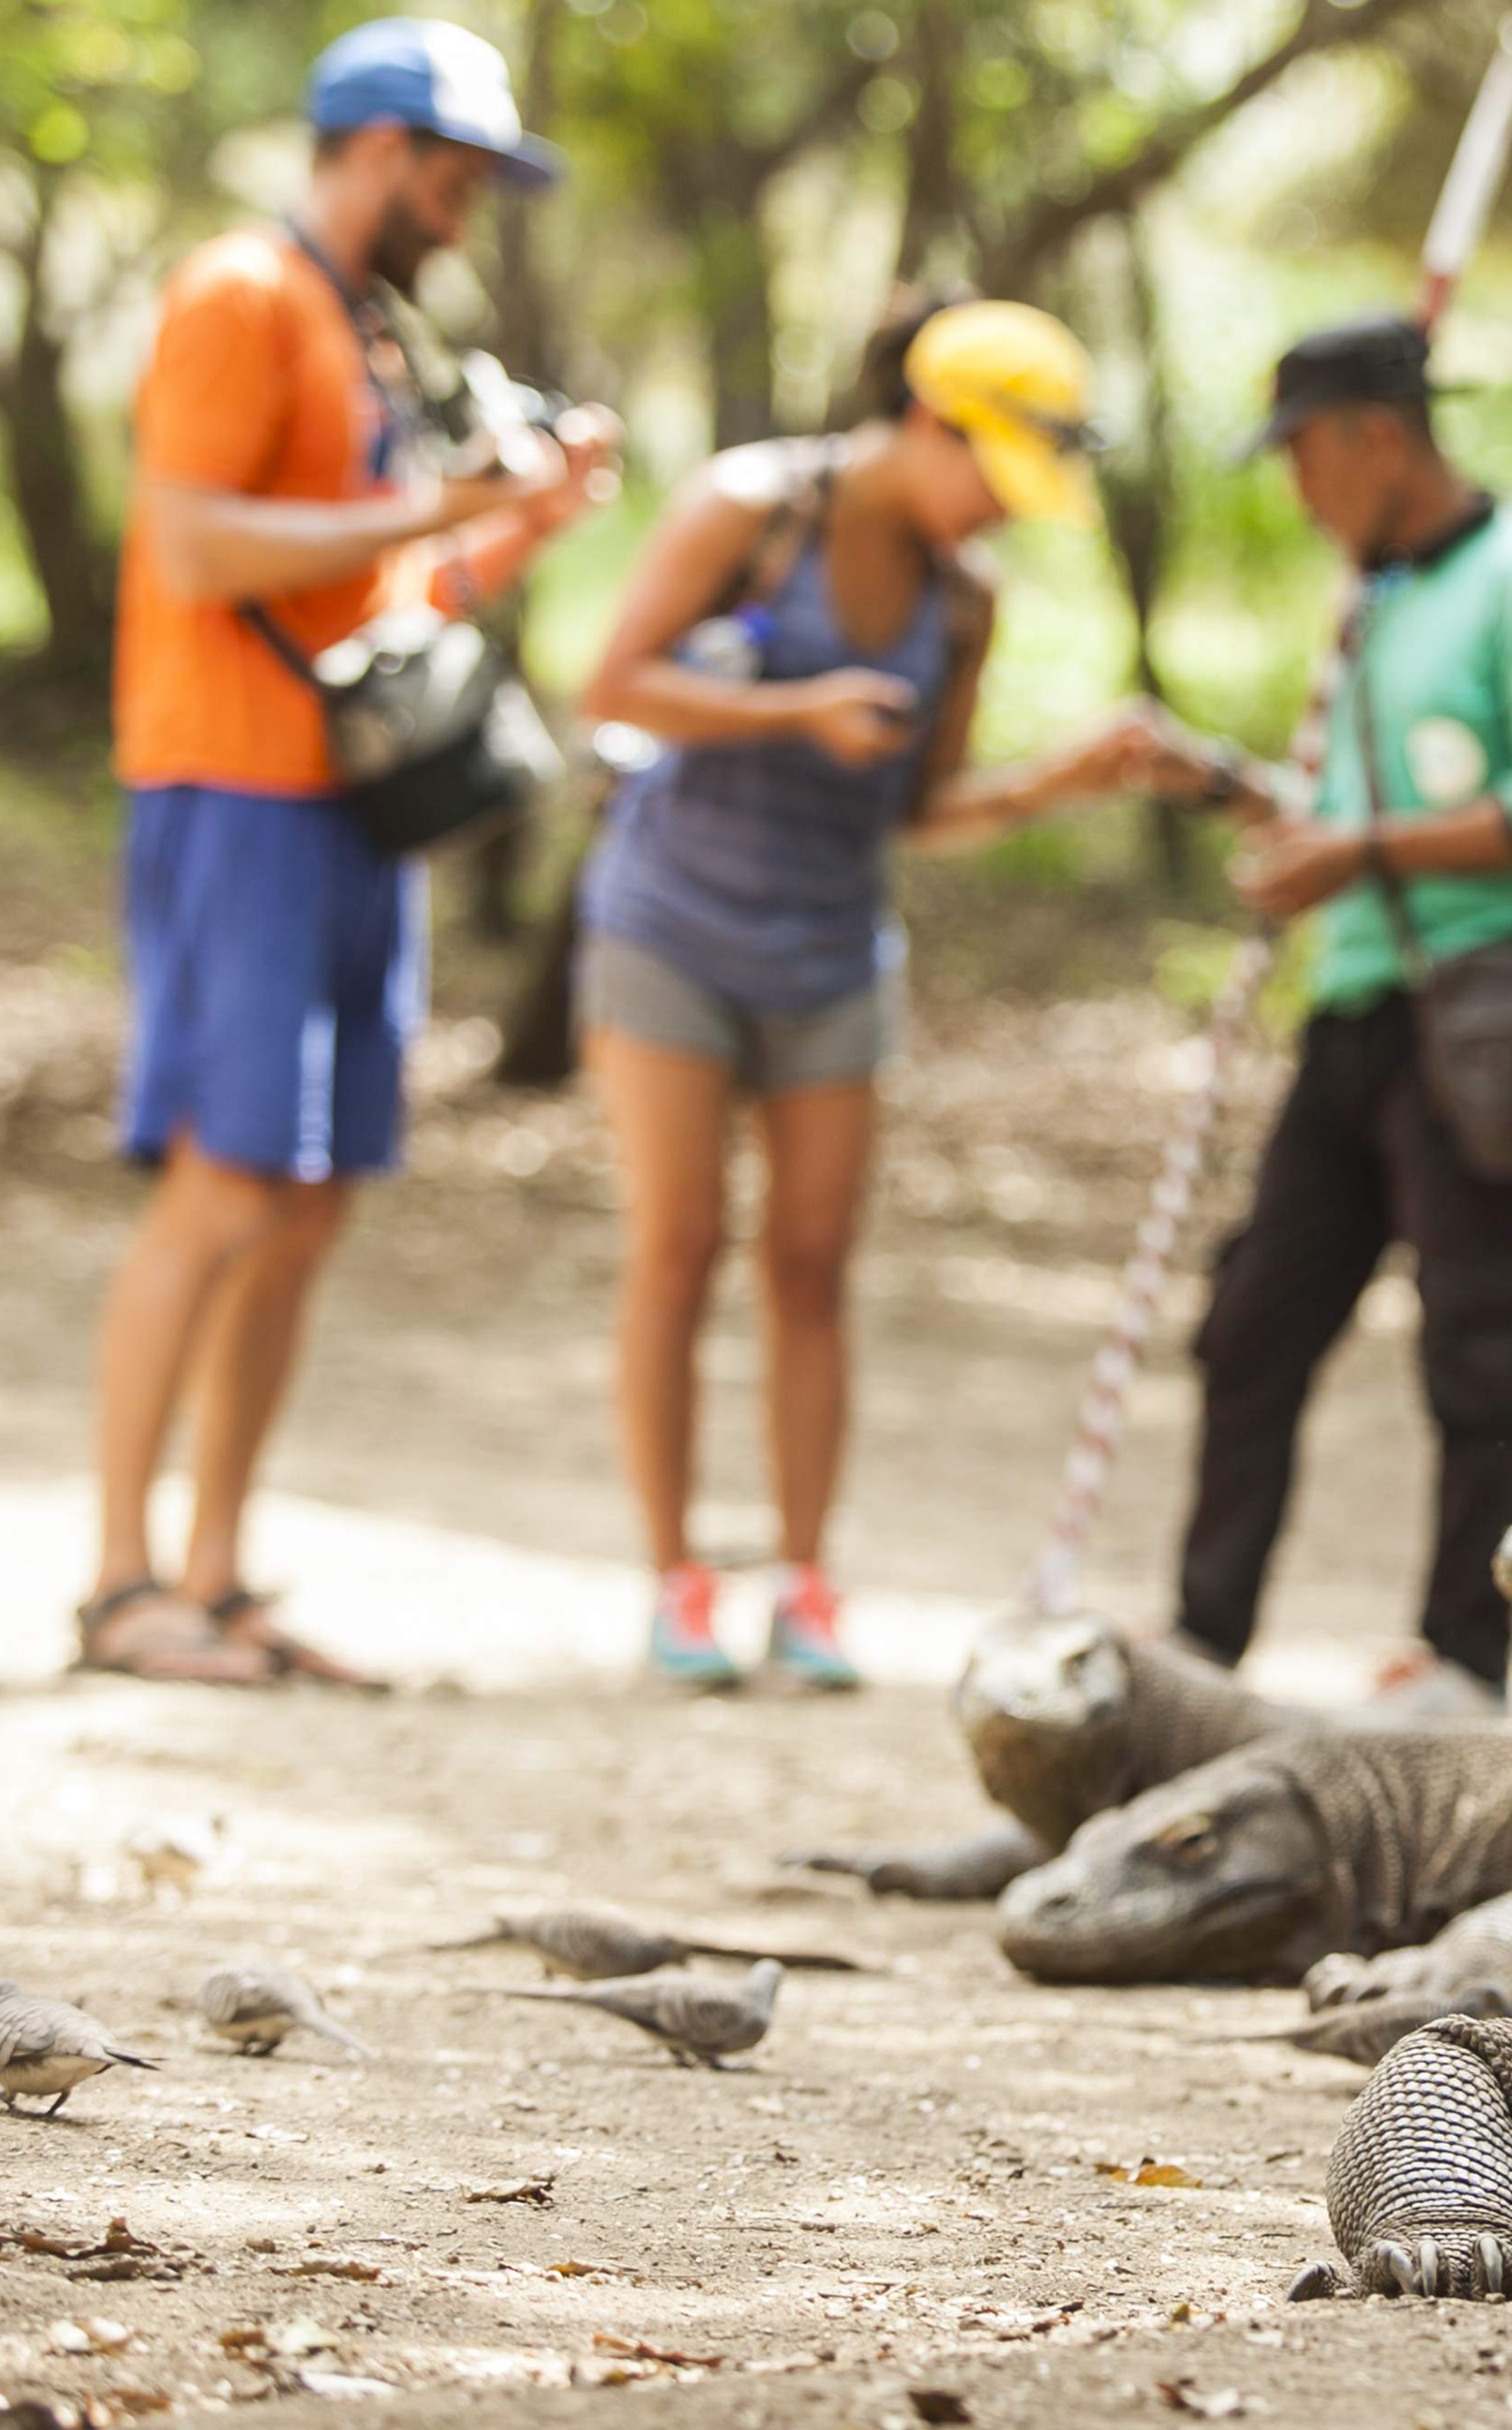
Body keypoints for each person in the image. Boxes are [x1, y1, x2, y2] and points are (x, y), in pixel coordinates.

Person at [82, 17, 619, 1686]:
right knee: (226, 1180)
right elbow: (190, 539)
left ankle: (223, 1576)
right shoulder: (241, 292)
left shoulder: (368, 329)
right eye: (457, 178)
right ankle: (119, 1589)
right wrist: (441, 508)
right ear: (381, 149)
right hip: (230, 788)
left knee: (311, 1199)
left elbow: (383, 603)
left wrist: (517, 522)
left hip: (347, 803)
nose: (466, 214)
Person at [574, 296, 1173, 1689]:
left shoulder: (966, 597)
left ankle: (807, 1585)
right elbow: (618, 680)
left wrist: (1060, 776)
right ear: (926, 420)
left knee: (812, 1267)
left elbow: (918, 803)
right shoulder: (750, 509)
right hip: (672, 924)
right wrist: (797, 705)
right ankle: (676, 1582)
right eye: (991, 477)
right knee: (677, 1247)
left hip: (833, 945)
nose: (998, 515)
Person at [1151, 315, 1512, 1712]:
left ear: (1376, 434)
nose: (1296, 493)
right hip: (1354, 1016)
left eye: (1304, 455)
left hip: (1476, 1015)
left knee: (1476, 1341)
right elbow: (1361, 812)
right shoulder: (1374, 597)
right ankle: (1202, 1640)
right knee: (1253, 1321)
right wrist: (1231, 794)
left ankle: (1467, 1663)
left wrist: (1359, 855)